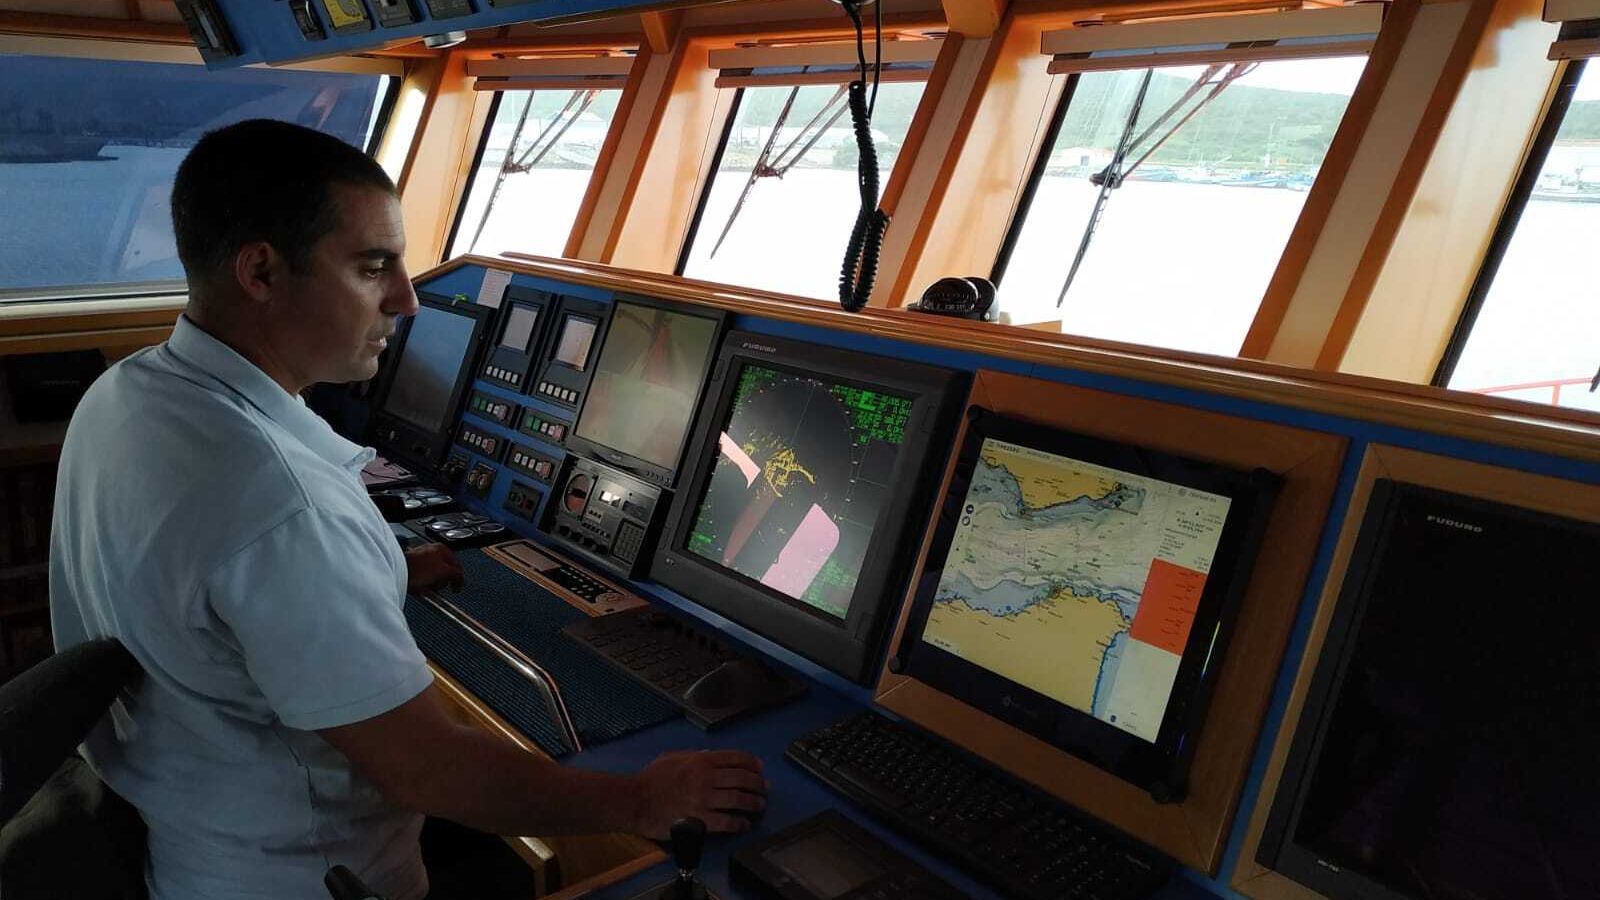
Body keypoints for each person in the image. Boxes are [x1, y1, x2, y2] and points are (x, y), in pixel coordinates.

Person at [48, 119, 767, 900]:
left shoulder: (123, 396)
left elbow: (212, 595)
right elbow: (432, 770)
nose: (407, 298)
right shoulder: (284, 509)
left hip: (172, 834)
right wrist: (642, 799)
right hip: (306, 878)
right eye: (372, 267)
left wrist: (371, 575)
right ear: (261, 271)